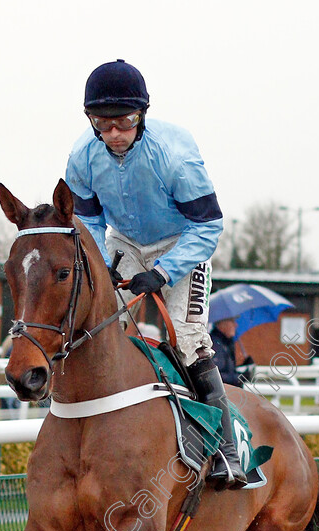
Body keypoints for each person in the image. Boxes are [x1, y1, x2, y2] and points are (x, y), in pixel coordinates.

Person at [65, 59, 246, 489]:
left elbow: (208, 226)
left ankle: (226, 450)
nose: (114, 134)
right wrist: (98, 262)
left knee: (188, 339)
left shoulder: (175, 155)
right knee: (99, 328)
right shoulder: (81, 157)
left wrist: (163, 273)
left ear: (141, 115)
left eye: (124, 122)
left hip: (182, 246)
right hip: (124, 243)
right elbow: (88, 220)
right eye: (102, 124)